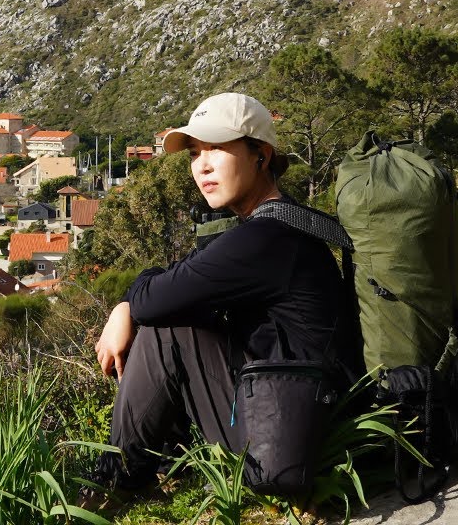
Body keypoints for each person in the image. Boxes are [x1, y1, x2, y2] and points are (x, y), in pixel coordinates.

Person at [88, 92, 363, 496]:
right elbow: (178, 286)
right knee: (179, 319)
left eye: (216, 148)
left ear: (261, 155)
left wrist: (125, 306)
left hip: (294, 437)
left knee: (166, 331)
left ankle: (113, 485)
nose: (202, 165)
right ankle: (155, 466)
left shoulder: (263, 239)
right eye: (195, 153)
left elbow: (153, 301)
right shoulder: (284, 224)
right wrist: (133, 303)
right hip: (310, 411)